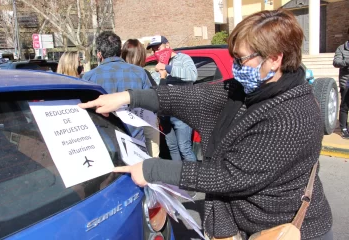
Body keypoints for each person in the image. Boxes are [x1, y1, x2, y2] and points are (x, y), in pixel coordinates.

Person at [79, 9, 333, 240]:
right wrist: (127, 97)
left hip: (289, 230)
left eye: (241, 60)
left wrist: (152, 169)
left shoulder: (294, 115)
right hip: (247, 226)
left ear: (275, 59)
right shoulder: (246, 91)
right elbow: (190, 97)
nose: (235, 68)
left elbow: (228, 176)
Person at [83, 31, 152, 142]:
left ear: (99, 54)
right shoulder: (139, 72)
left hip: (107, 140)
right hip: (136, 138)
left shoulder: (88, 77)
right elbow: (150, 104)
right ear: (120, 51)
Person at [147, 35, 198, 162]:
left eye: (158, 48)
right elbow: (157, 87)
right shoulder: (158, 65)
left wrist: (168, 68)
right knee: (172, 147)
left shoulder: (183, 58)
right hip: (165, 114)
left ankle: (195, 179)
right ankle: (178, 178)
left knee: (184, 148)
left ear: (167, 45)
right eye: (153, 50)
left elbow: (192, 75)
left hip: (182, 112)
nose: (156, 52)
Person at [121, 39, 160, 157]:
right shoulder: (142, 73)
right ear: (140, 55)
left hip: (125, 120)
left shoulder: (118, 72)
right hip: (147, 119)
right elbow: (157, 95)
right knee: (152, 158)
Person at [333, 27, 349, 139]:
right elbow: (336, 62)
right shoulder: (342, 48)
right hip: (347, 82)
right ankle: (343, 128)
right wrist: (347, 61)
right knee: (345, 106)